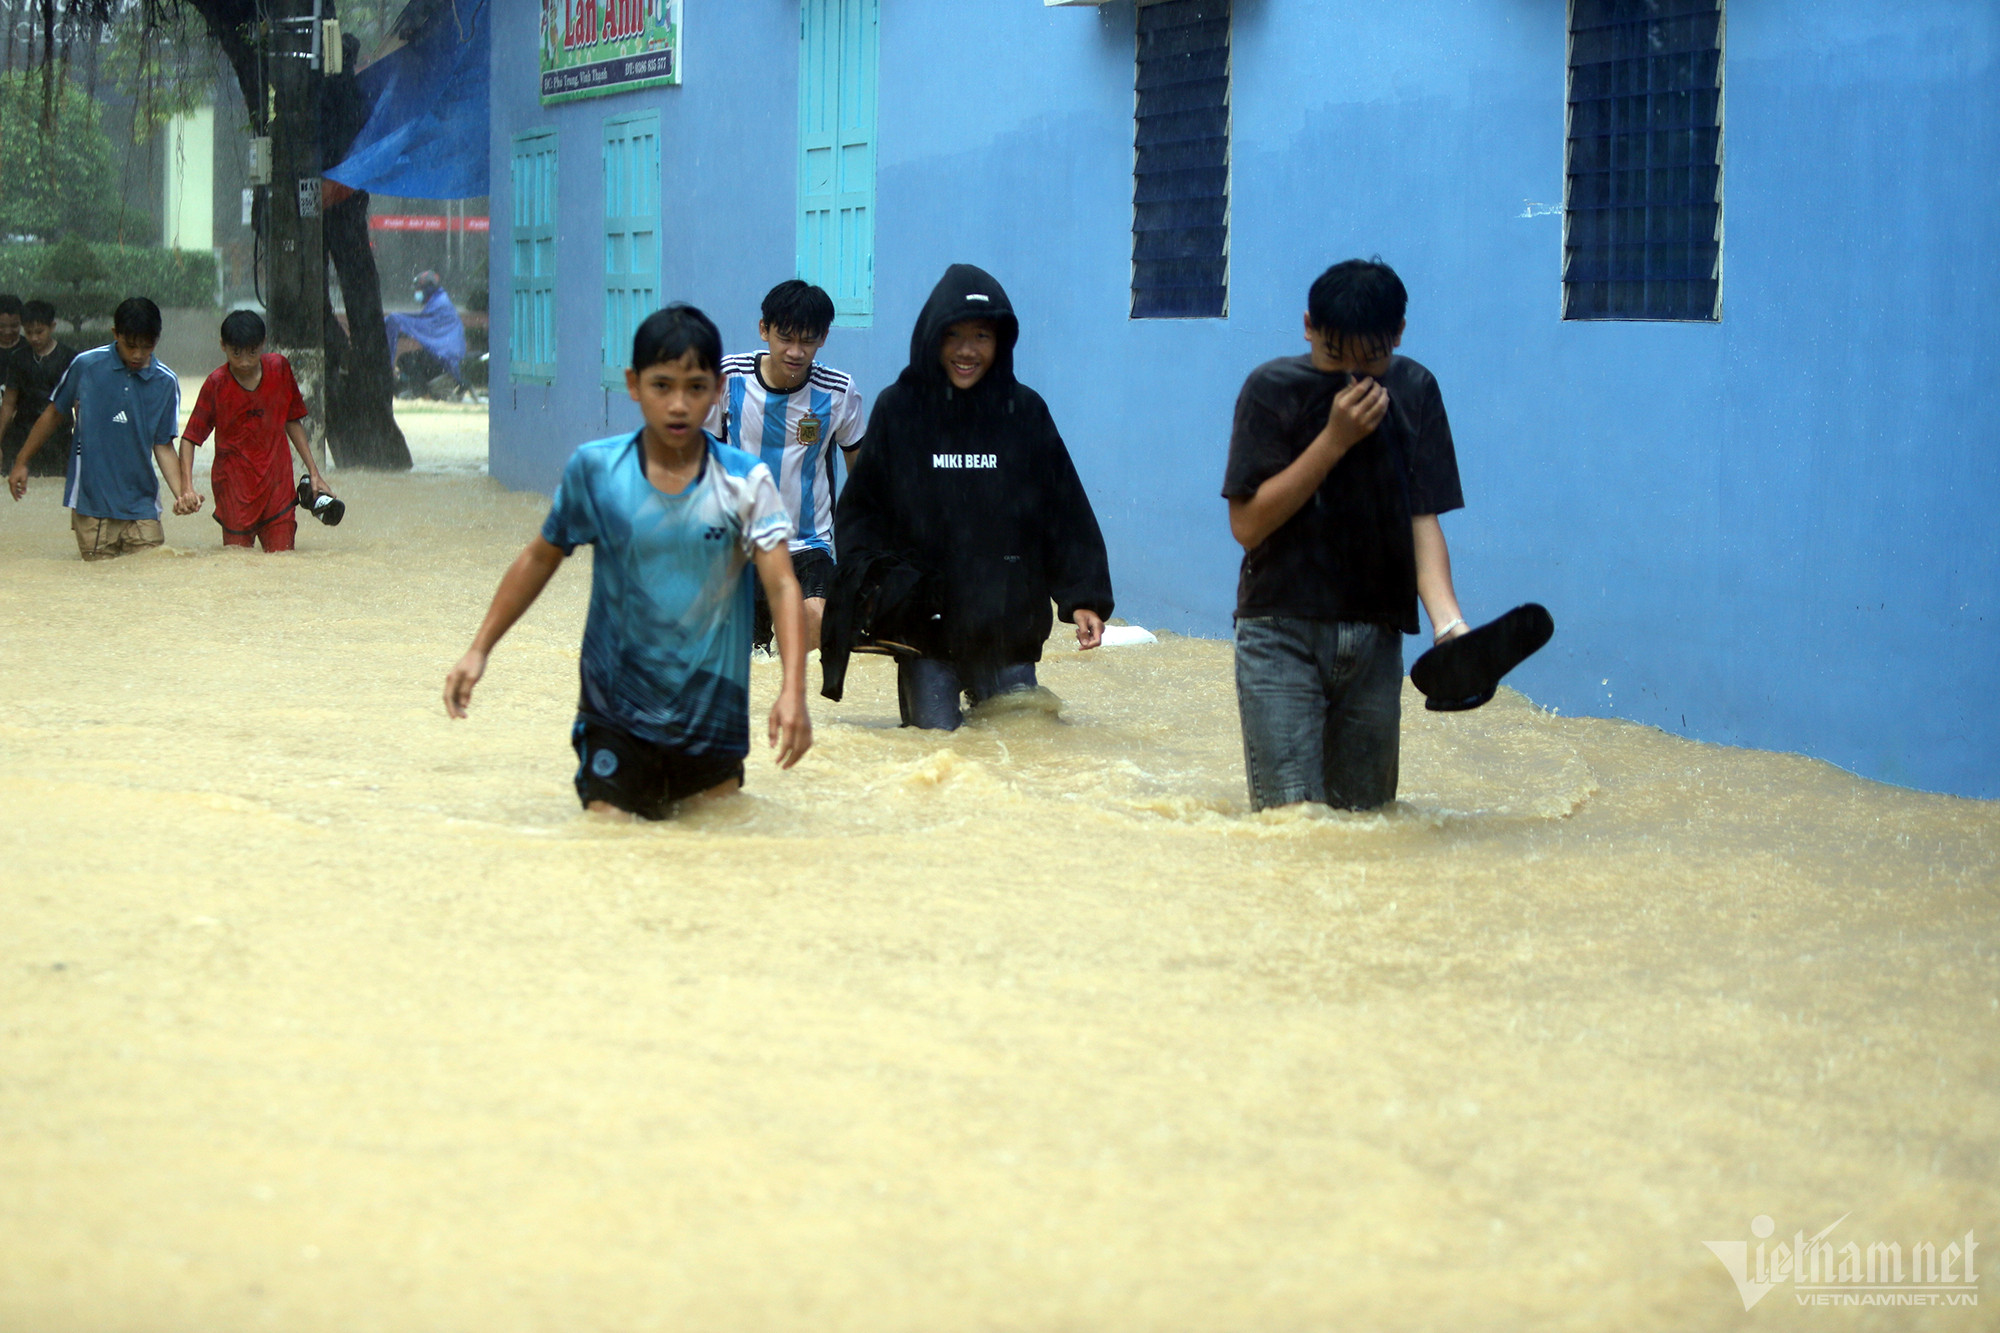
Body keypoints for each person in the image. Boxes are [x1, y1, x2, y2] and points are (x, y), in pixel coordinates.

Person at [442, 304, 811, 819]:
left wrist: (793, 690)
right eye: (662, 386)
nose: (679, 405)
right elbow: (539, 558)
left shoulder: (747, 482)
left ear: (717, 390)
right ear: (633, 385)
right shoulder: (597, 471)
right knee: (607, 842)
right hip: (614, 712)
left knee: (717, 858)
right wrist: (479, 649)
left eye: (696, 387)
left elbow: (782, 586)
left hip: (713, 716)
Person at [1222, 258, 1470, 812]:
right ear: (1308, 326)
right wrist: (1334, 440)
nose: (1356, 377)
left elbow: (1420, 518)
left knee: (1367, 828)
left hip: (1376, 638)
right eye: (1336, 357)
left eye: (1373, 360)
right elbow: (1247, 525)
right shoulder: (1271, 390)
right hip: (1279, 630)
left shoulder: (1415, 389)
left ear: (1398, 336)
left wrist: (1449, 624)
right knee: (1292, 828)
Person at [820, 263, 1114, 731]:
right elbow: (862, 512)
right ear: (931, 338)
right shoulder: (900, 409)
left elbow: (1063, 509)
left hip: (1009, 630)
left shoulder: (1026, 412)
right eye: (953, 334)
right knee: (935, 759)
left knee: (1022, 754)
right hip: (926, 635)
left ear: (1001, 342)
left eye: (981, 336)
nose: (966, 351)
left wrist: (1085, 597)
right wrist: (875, 590)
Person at [704, 279, 865, 653]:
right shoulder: (727, 379)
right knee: (743, 665)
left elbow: (863, 477)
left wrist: (865, 554)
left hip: (808, 544)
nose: (795, 351)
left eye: (807, 340)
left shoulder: (838, 392)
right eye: (785, 337)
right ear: (764, 330)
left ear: (823, 337)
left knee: (816, 623)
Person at [7, 297, 196, 561]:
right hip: (91, 507)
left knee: (151, 576)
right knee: (98, 584)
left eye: (147, 346)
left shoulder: (165, 381)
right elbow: (52, 414)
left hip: (142, 507)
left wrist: (182, 495)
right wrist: (22, 461)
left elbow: (163, 444)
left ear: (157, 339)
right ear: (115, 334)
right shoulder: (86, 365)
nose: (138, 355)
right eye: (130, 346)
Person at [178, 309, 335, 552]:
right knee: (238, 562)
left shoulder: (280, 369)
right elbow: (189, 439)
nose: (244, 362)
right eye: (236, 353)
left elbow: (292, 420)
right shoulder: (216, 384)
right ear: (223, 346)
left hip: (277, 484)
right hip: (234, 489)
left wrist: (314, 472)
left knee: (283, 559)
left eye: (252, 352)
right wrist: (187, 488)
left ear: (263, 344)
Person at [0, 299, 78, 477]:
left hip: (59, 438)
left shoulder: (70, 358)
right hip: (22, 436)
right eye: (28, 332)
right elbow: (8, 403)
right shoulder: (18, 358)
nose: (34, 338)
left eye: (39, 332)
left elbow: (78, 402)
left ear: (52, 326)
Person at [386, 270, 466, 399]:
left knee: (406, 360)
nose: (417, 293)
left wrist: (396, 323)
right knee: (410, 358)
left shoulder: (439, 304)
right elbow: (425, 327)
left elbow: (423, 325)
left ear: (428, 288)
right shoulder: (438, 300)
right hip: (445, 356)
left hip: (445, 358)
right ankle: (419, 391)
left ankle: (423, 394)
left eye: (419, 289)